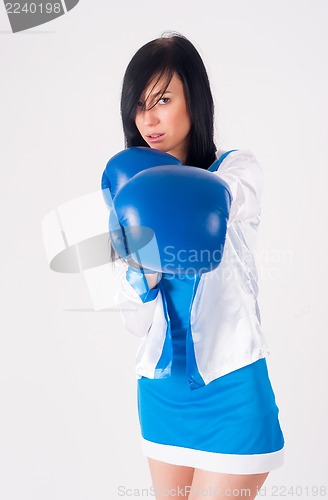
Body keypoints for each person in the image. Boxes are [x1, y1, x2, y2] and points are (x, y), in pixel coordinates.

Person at [105, 32, 285, 499]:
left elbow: (229, 198)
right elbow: (135, 323)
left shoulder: (236, 169)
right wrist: (141, 268)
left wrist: (160, 201)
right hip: (162, 395)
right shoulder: (131, 194)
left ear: (195, 99)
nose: (150, 119)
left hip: (232, 391)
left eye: (163, 99)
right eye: (140, 106)